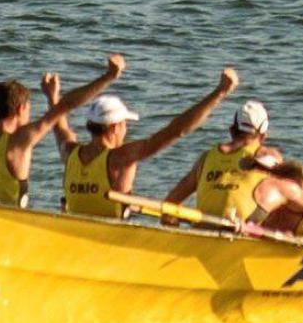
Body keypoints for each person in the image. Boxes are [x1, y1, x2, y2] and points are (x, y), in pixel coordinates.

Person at [47, 68, 239, 218]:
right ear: (114, 128)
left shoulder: (69, 153)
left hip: (75, 231)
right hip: (111, 241)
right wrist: (219, 93)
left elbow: (57, 123)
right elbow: (175, 131)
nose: (126, 129)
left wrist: (52, 97)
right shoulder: (121, 158)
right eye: (125, 124)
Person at [0, 54, 124, 207]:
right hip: (11, 229)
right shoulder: (18, 141)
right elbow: (66, 105)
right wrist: (108, 77)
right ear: (21, 109)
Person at [161, 100, 279, 223]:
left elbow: (170, 202)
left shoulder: (206, 158)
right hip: (241, 233)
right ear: (264, 136)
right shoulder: (268, 156)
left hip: (203, 231)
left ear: (232, 130)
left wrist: (172, 225)